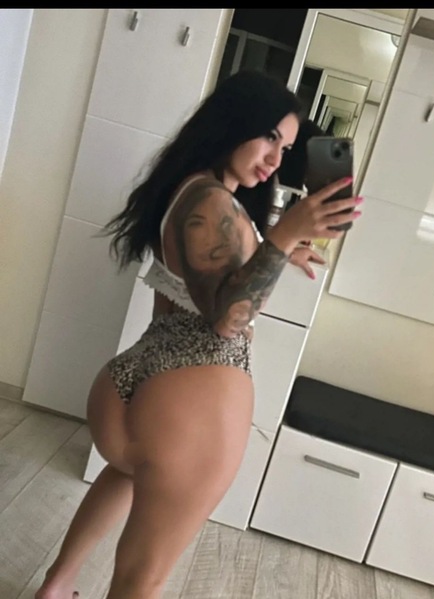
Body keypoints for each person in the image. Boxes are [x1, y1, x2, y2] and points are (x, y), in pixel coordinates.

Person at [35, 70, 361, 599]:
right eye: (269, 137)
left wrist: (273, 251)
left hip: (132, 386)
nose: (275, 158)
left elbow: (212, 279)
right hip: (189, 404)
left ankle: (56, 587)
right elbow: (227, 318)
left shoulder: (191, 189)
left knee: (127, 477)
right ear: (234, 122)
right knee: (142, 579)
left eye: (286, 148)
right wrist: (283, 236)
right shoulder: (214, 204)